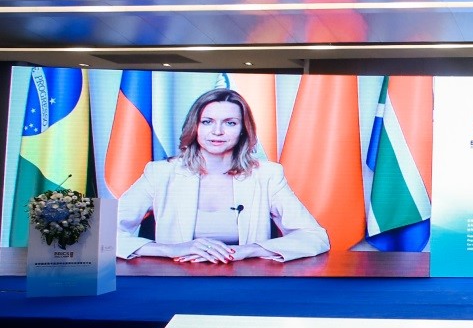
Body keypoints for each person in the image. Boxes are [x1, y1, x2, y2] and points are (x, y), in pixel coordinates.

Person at [117, 88, 329, 263]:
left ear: (243, 130)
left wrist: (249, 250)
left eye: (230, 123)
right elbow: (103, 234)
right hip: (175, 281)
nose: (217, 131)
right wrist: (171, 249)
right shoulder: (160, 173)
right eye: (207, 122)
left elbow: (315, 237)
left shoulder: (267, 175)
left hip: (245, 282)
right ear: (195, 127)